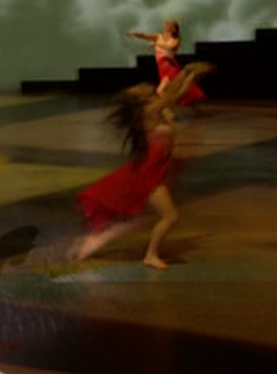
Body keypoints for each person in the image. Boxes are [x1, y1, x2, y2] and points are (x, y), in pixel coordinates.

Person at [69, 61, 215, 270]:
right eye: (137, 89)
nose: (142, 85)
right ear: (138, 99)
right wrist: (188, 73)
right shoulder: (149, 110)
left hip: (155, 169)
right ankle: (150, 255)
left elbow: (175, 93)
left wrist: (187, 73)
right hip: (149, 174)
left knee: (162, 216)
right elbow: (173, 96)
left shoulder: (156, 107)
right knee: (170, 216)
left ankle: (99, 240)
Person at [127, 19, 206, 107]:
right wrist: (135, 34)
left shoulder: (176, 40)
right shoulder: (158, 36)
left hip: (170, 67)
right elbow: (145, 35)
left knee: (161, 89)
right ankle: (164, 107)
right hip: (162, 68)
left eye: (169, 24)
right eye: (166, 24)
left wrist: (156, 44)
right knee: (173, 90)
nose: (166, 25)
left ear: (174, 28)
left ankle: (157, 108)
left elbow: (170, 47)